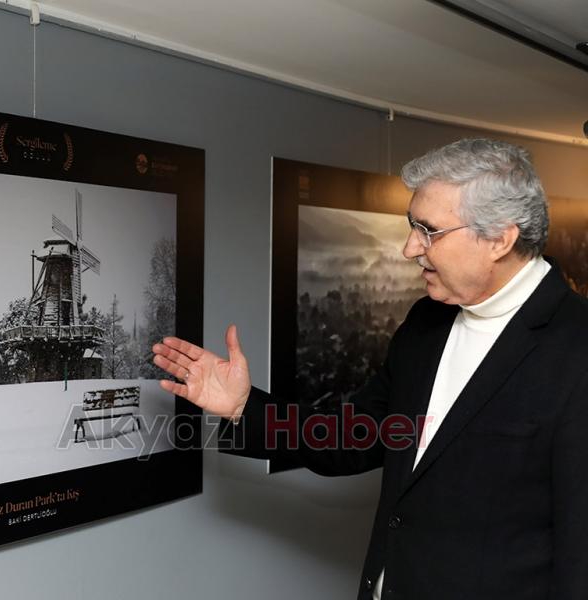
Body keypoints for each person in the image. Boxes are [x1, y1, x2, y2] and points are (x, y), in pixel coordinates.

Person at [152, 138, 588, 600]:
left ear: (500, 238)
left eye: (429, 231)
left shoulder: (576, 348)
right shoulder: (428, 321)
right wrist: (244, 408)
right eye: (411, 226)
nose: (408, 248)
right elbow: (357, 436)